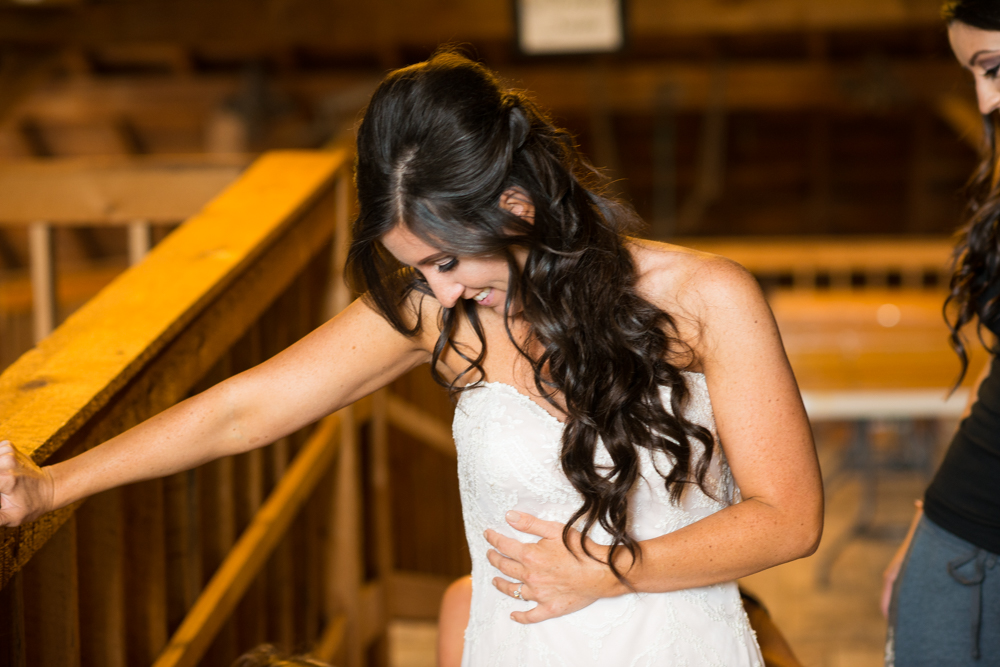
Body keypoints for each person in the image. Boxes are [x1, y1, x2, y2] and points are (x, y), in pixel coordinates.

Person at [0, 50, 822, 666]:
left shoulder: (706, 297)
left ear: (516, 203)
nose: (443, 290)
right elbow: (240, 410)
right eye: (420, 267)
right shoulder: (439, 313)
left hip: (676, 643)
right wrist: (49, 485)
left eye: (451, 259)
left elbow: (789, 516)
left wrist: (611, 566)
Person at [881, 3, 1000, 665]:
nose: (985, 99)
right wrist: (929, 509)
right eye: (975, 76)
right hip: (957, 535)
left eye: (993, 68)